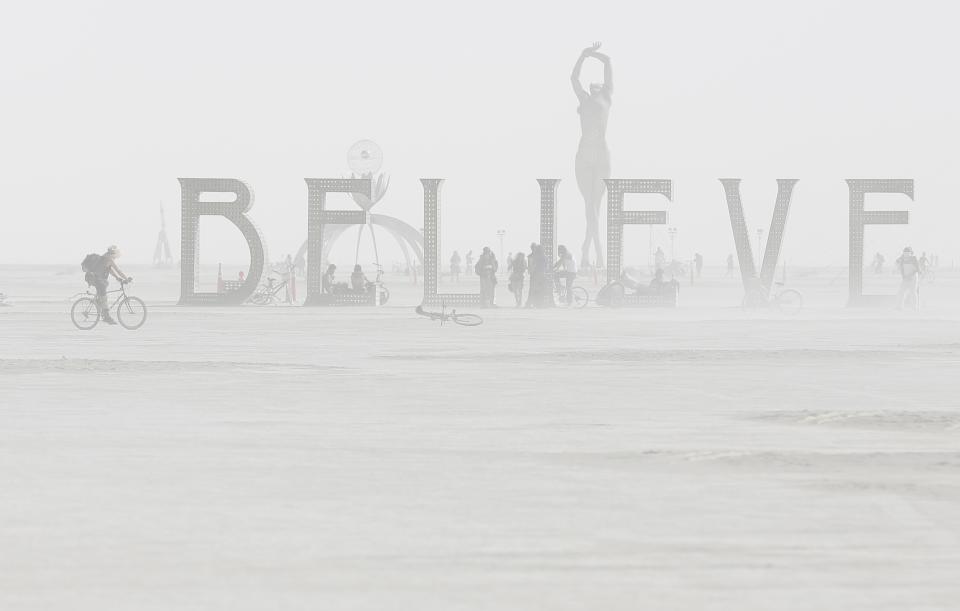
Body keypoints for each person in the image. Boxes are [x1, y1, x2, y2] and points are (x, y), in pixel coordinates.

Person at [572, 42, 613, 271]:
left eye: (596, 85)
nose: (593, 86)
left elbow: (608, 62)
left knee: (595, 204)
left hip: (601, 153)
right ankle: (594, 255)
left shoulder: (606, 97)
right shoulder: (584, 100)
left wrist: (592, 54)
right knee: (590, 204)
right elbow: (573, 78)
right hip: (584, 154)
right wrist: (582, 55)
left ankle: (590, 252)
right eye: (591, 86)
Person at [84, 245, 131, 325]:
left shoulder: (105, 258)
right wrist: (126, 278)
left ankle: (99, 307)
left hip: (94, 278)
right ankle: (106, 316)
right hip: (95, 278)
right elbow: (118, 270)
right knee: (104, 296)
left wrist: (118, 278)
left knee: (102, 295)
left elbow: (110, 271)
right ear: (114, 253)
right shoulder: (109, 258)